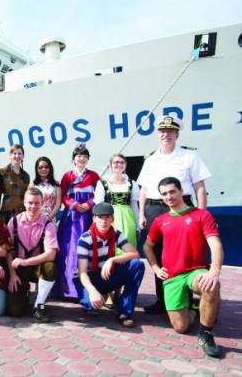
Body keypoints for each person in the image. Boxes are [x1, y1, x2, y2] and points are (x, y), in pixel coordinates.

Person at [137, 115, 211, 314]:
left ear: (177, 134)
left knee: (184, 254)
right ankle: (162, 300)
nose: (166, 135)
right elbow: (143, 189)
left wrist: (202, 216)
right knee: (159, 253)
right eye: (162, 131)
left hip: (183, 209)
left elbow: (200, 188)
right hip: (154, 209)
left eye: (170, 131)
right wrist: (142, 214)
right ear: (158, 134)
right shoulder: (151, 159)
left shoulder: (190, 156)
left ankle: (185, 300)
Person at [143, 177, 223, 358]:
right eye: (164, 194)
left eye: (172, 191)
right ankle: (195, 309)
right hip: (172, 276)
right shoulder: (160, 220)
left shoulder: (202, 215)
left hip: (196, 271)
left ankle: (205, 333)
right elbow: (147, 246)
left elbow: (215, 244)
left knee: (211, 286)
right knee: (181, 327)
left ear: (181, 191)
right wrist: (156, 268)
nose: (169, 196)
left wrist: (214, 272)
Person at [73, 202, 145, 327]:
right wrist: (93, 291)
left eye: (107, 217)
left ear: (112, 218)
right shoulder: (85, 239)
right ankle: (93, 298)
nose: (103, 221)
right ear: (94, 218)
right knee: (91, 305)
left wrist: (112, 260)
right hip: (90, 278)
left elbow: (135, 254)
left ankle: (125, 311)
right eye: (100, 217)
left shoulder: (116, 233)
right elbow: (82, 272)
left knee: (137, 265)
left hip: (107, 274)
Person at [53, 144, 100, 298]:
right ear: (74, 158)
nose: (81, 159)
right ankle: (66, 288)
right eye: (79, 156)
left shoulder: (93, 175)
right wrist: (74, 204)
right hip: (72, 217)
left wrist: (89, 204)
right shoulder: (67, 176)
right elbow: (64, 196)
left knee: (87, 247)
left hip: (87, 216)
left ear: (88, 159)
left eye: (85, 156)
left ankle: (86, 287)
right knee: (69, 248)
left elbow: (99, 194)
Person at [7, 187, 58, 322]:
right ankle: (25, 291)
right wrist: (12, 274)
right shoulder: (14, 222)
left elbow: (51, 254)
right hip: (18, 269)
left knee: (50, 267)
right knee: (15, 311)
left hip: (37, 267)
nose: (33, 206)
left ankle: (39, 305)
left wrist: (26, 262)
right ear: (24, 203)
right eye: (30, 203)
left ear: (42, 204)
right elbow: (8, 251)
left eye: (37, 203)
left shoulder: (48, 225)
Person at [0, 144, 30, 222]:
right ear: (10, 155)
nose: (17, 156)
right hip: (7, 213)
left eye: (19, 153)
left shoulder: (26, 175)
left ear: (22, 156)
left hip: (22, 213)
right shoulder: (2, 172)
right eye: (14, 153)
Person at [29, 156, 61, 222]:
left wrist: (48, 218)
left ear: (50, 169)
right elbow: (29, 202)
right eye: (40, 167)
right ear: (36, 169)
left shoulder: (56, 184)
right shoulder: (33, 184)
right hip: (35, 218)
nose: (43, 169)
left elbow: (58, 205)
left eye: (46, 167)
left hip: (50, 218)